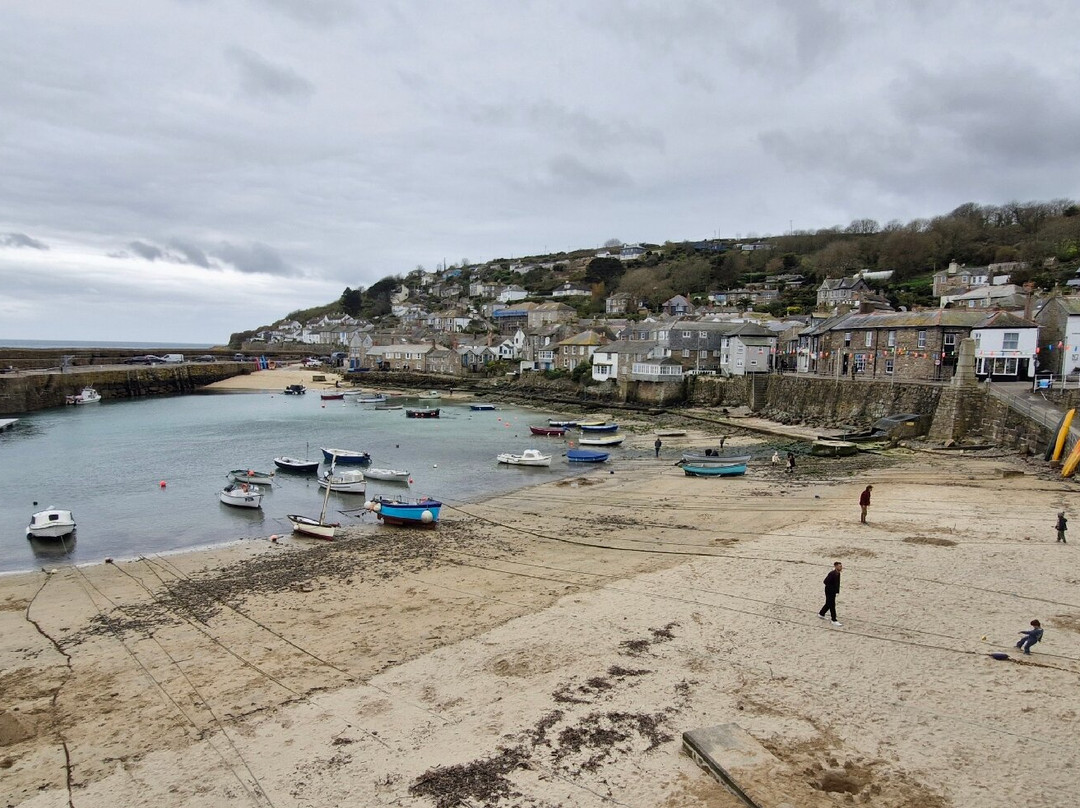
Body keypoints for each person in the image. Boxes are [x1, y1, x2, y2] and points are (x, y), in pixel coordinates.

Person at [818, 562, 843, 626]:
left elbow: (837, 583)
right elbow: (825, 581)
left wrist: (836, 591)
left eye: (841, 566)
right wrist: (831, 588)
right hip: (829, 591)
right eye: (839, 566)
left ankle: (821, 613)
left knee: (828, 603)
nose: (841, 567)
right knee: (832, 605)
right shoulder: (832, 574)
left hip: (833, 591)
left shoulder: (838, 573)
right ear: (835, 566)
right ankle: (833, 619)